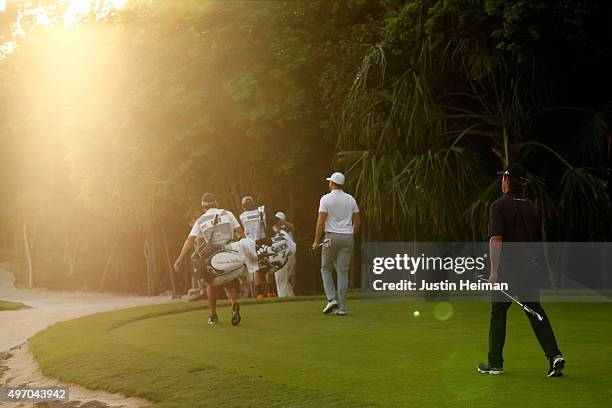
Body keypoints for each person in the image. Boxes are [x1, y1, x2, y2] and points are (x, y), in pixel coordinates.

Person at [478, 163, 565, 377]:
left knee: (498, 314)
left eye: (503, 178)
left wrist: (494, 272)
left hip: (507, 270)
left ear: (507, 181)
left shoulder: (498, 206)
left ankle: (495, 363)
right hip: (528, 269)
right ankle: (554, 355)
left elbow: (496, 239)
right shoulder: (532, 208)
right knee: (535, 311)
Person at [174, 192, 244, 325]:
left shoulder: (201, 220)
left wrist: (180, 258)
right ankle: (234, 304)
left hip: (213, 256)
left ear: (203, 207)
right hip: (230, 253)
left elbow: (190, 240)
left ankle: (213, 315)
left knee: (211, 284)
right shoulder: (227, 213)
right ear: (216, 203)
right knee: (228, 282)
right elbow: (240, 232)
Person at [312, 172, 360, 315]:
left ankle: (332, 299)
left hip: (331, 237)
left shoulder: (326, 199)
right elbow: (357, 221)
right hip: (347, 237)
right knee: (343, 272)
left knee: (326, 268)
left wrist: (316, 241)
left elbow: (321, 221)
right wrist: (351, 234)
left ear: (331, 183)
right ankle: (342, 308)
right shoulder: (350, 199)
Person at [239, 196, 277, 298]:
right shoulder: (261, 211)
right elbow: (275, 221)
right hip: (263, 242)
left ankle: (260, 294)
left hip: (250, 245)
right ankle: (271, 292)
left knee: (256, 269)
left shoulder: (242, 216)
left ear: (243, 207)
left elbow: (239, 232)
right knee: (269, 266)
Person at [273, 211, 296, 297]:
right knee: (285, 280)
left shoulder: (276, 230)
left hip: (282, 256)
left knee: (280, 280)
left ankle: (282, 298)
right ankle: (291, 297)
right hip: (291, 256)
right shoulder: (289, 229)